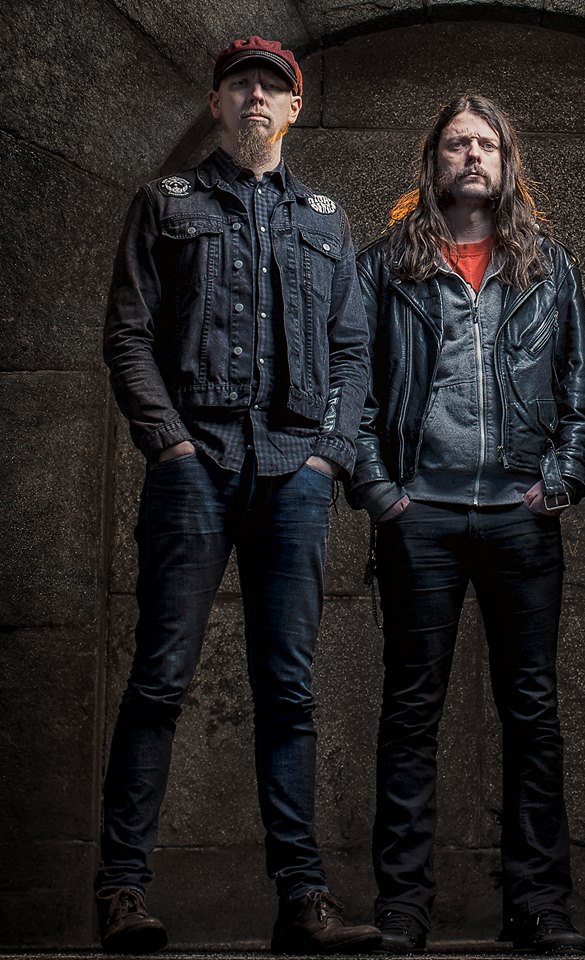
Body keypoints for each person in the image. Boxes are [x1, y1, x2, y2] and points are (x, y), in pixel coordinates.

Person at [97, 35, 379, 955]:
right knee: (160, 679)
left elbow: (351, 352)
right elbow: (128, 335)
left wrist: (328, 456)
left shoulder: (327, 220)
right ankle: (122, 891)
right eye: (241, 85)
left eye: (273, 87)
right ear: (215, 102)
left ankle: (303, 901)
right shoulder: (165, 203)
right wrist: (170, 444)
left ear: (295, 108)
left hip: (294, 473)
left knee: (288, 692)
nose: (257, 97)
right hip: (197, 466)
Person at [345, 94, 585, 954]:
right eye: (457, 143)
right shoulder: (387, 265)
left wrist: (559, 480)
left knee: (534, 713)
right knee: (411, 714)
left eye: (486, 143)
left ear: (508, 160)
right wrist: (382, 492)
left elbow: (578, 387)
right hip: (422, 519)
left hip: (521, 518)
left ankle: (540, 906)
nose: (473, 156)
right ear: (435, 161)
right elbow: (356, 386)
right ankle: (404, 907)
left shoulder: (549, 265)